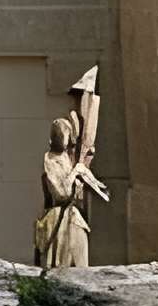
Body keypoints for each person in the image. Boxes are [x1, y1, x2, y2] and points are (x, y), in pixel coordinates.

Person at [33, 69, 110, 270]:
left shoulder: (68, 156)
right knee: (63, 267)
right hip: (60, 220)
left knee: (80, 264)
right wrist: (76, 172)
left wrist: (83, 172)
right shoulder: (50, 159)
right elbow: (61, 193)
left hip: (73, 217)